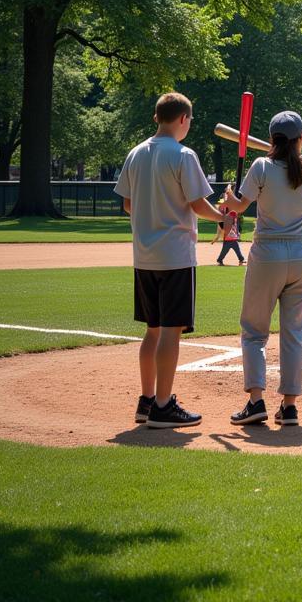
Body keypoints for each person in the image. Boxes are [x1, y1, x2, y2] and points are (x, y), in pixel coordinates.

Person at [114, 91, 230, 429]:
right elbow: (197, 204)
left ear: (156, 118)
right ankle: (163, 406)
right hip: (176, 255)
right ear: (183, 119)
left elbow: (127, 204)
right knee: (170, 331)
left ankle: (147, 400)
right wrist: (223, 219)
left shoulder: (136, 154)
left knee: (152, 331)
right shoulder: (183, 154)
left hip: (144, 256)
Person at [224, 111, 302, 427]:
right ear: (299, 141)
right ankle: (289, 407)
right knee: (293, 335)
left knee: (253, 333)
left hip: (267, 255)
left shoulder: (262, 167)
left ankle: (255, 402)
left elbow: (238, 207)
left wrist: (228, 198)